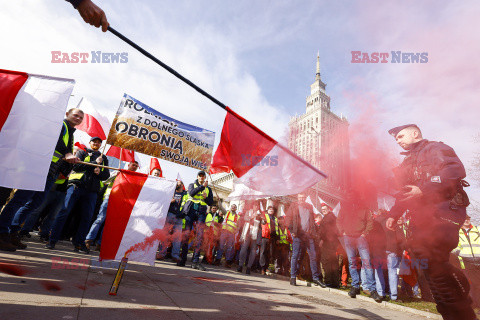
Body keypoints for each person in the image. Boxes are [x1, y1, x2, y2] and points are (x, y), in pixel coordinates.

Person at [385, 124, 475, 320]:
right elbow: (405, 193)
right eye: (396, 139)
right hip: (423, 217)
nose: (398, 140)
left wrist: (424, 189)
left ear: (415, 133)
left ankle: (461, 310)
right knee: (427, 262)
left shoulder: (435, 148)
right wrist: (394, 214)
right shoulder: (407, 163)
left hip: (444, 212)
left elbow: (454, 169)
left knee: (432, 257)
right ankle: (454, 310)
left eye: (401, 136)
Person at [0, 108, 83, 251]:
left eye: (81, 117)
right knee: (20, 199)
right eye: (75, 115)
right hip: (38, 168)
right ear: (67, 114)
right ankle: (2, 232)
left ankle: (13, 231)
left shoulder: (71, 132)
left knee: (34, 203)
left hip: (51, 173)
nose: (78, 118)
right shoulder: (59, 125)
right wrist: (68, 153)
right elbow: (54, 141)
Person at [46, 136, 110, 252]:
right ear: (90, 142)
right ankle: (52, 240)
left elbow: (106, 175)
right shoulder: (82, 152)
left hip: (92, 191)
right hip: (76, 186)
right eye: (94, 141)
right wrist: (93, 163)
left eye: (98, 142)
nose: (96, 143)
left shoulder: (103, 157)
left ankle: (79, 243)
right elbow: (77, 166)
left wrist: (99, 171)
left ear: (101, 145)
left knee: (87, 218)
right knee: (64, 212)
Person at [337, 190, 382, 302]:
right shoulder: (344, 208)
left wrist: (364, 234)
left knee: (366, 263)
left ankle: (372, 290)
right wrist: (343, 232)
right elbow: (339, 221)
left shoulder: (364, 208)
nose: (350, 198)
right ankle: (355, 287)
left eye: (352, 196)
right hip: (349, 238)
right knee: (352, 262)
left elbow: (369, 222)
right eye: (348, 196)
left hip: (360, 238)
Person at [85, 161, 139, 251]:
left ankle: (100, 244)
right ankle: (88, 240)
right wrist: (116, 174)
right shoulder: (118, 172)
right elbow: (105, 181)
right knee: (100, 219)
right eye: (133, 165)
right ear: (128, 165)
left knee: (109, 223)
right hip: (109, 198)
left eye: (136, 166)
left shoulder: (134, 178)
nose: (135, 167)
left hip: (120, 201)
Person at [286, 192, 324, 287]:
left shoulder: (309, 207)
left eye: (303, 197)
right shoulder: (294, 206)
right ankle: (293, 277)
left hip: (309, 235)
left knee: (313, 256)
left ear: (305, 197)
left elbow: (311, 221)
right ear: (297, 197)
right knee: (295, 255)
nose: (301, 199)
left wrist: (315, 233)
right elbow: (288, 219)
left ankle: (315, 278)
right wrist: (292, 230)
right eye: (300, 197)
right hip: (298, 235)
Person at [178, 171, 213, 271]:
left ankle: (195, 262)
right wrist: (202, 187)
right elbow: (192, 193)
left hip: (201, 213)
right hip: (190, 212)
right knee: (186, 235)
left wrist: (206, 198)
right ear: (197, 177)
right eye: (200, 176)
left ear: (205, 177)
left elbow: (211, 203)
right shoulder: (191, 185)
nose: (201, 177)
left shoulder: (208, 189)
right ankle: (183, 259)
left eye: (203, 176)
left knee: (200, 236)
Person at [157, 179, 187, 261]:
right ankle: (161, 253)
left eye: (179, 183)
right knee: (165, 235)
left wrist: (183, 214)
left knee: (177, 238)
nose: (177, 184)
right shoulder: (171, 192)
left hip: (179, 218)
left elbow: (187, 204)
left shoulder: (185, 194)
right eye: (176, 183)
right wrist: (170, 201)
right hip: (170, 215)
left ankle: (175, 255)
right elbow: (163, 202)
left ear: (182, 185)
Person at [453, 215, 480, 307]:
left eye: (468, 218)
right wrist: (458, 253)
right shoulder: (456, 232)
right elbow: (454, 246)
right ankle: (474, 304)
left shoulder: (477, 230)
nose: (466, 220)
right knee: (472, 284)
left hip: (479, 260)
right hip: (466, 262)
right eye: (464, 219)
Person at [318, 204, 340, 288]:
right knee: (333, 263)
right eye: (322, 209)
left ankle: (328, 281)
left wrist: (322, 239)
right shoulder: (332, 217)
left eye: (325, 209)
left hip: (327, 243)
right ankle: (335, 282)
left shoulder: (327, 218)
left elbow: (324, 231)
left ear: (329, 209)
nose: (323, 210)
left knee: (327, 262)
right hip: (333, 243)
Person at [237, 201, 262, 274]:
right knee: (243, 249)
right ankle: (240, 265)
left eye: (257, 206)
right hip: (247, 233)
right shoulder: (248, 212)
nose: (256, 207)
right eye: (255, 205)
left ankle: (249, 267)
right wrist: (253, 217)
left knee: (253, 252)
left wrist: (262, 219)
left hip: (255, 234)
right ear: (253, 206)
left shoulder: (260, 215)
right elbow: (246, 218)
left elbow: (262, 224)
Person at [215, 204, 239, 268]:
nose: (233, 208)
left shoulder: (237, 216)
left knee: (229, 248)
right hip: (224, 231)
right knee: (221, 245)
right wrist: (219, 201)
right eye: (232, 206)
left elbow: (238, 225)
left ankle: (227, 262)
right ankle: (218, 260)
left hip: (231, 233)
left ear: (236, 209)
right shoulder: (227, 212)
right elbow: (221, 207)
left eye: (234, 207)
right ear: (230, 208)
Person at [259, 206, 279, 275]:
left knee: (269, 253)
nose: (271, 210)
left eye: (272, 209)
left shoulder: (275, 219)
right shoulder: (265, 216)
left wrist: (277, 238)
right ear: (267, 210)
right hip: (265, 236)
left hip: (272, 237)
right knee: (263, 252)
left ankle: (266, 267)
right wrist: (262, 220)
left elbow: (277, 229)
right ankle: (262, 268)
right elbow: (262, 223)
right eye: (270, 209)